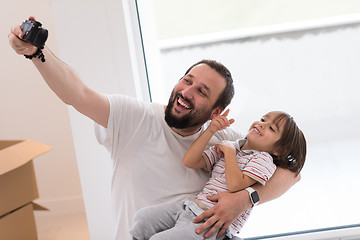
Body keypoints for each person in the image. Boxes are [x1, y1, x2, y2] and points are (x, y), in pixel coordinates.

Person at [8, 17, 301, 240]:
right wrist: (37, 53)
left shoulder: (228, 140)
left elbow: (292, 172)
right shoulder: (135, 117)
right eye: (187, 80)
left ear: (215, 112)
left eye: (201, 91)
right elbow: (79, 95)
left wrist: (245, 200)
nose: (187, 92)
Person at [130, 110, 306, 240]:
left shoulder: (263, 159)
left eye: (271, 128)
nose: (261, 124)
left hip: (214, 225)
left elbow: (236, 186)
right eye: (262, 119)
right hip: (191, 207)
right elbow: (190, 161)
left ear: (279, 150)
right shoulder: (231, 145)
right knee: (143, 218)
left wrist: (229, 153)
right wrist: (211, 130)